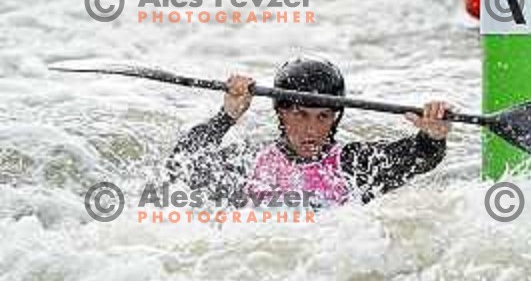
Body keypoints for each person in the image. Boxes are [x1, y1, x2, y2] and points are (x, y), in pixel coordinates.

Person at [167, 58, 450, 208]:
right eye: (300, 115)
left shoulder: (353, 165)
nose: (312, 130)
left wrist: (433, 135)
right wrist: (226, 116)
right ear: (280, 112)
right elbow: (181, 166)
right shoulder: (250, 162)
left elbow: (419, 157)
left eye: (323, 117)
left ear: (335, 118)